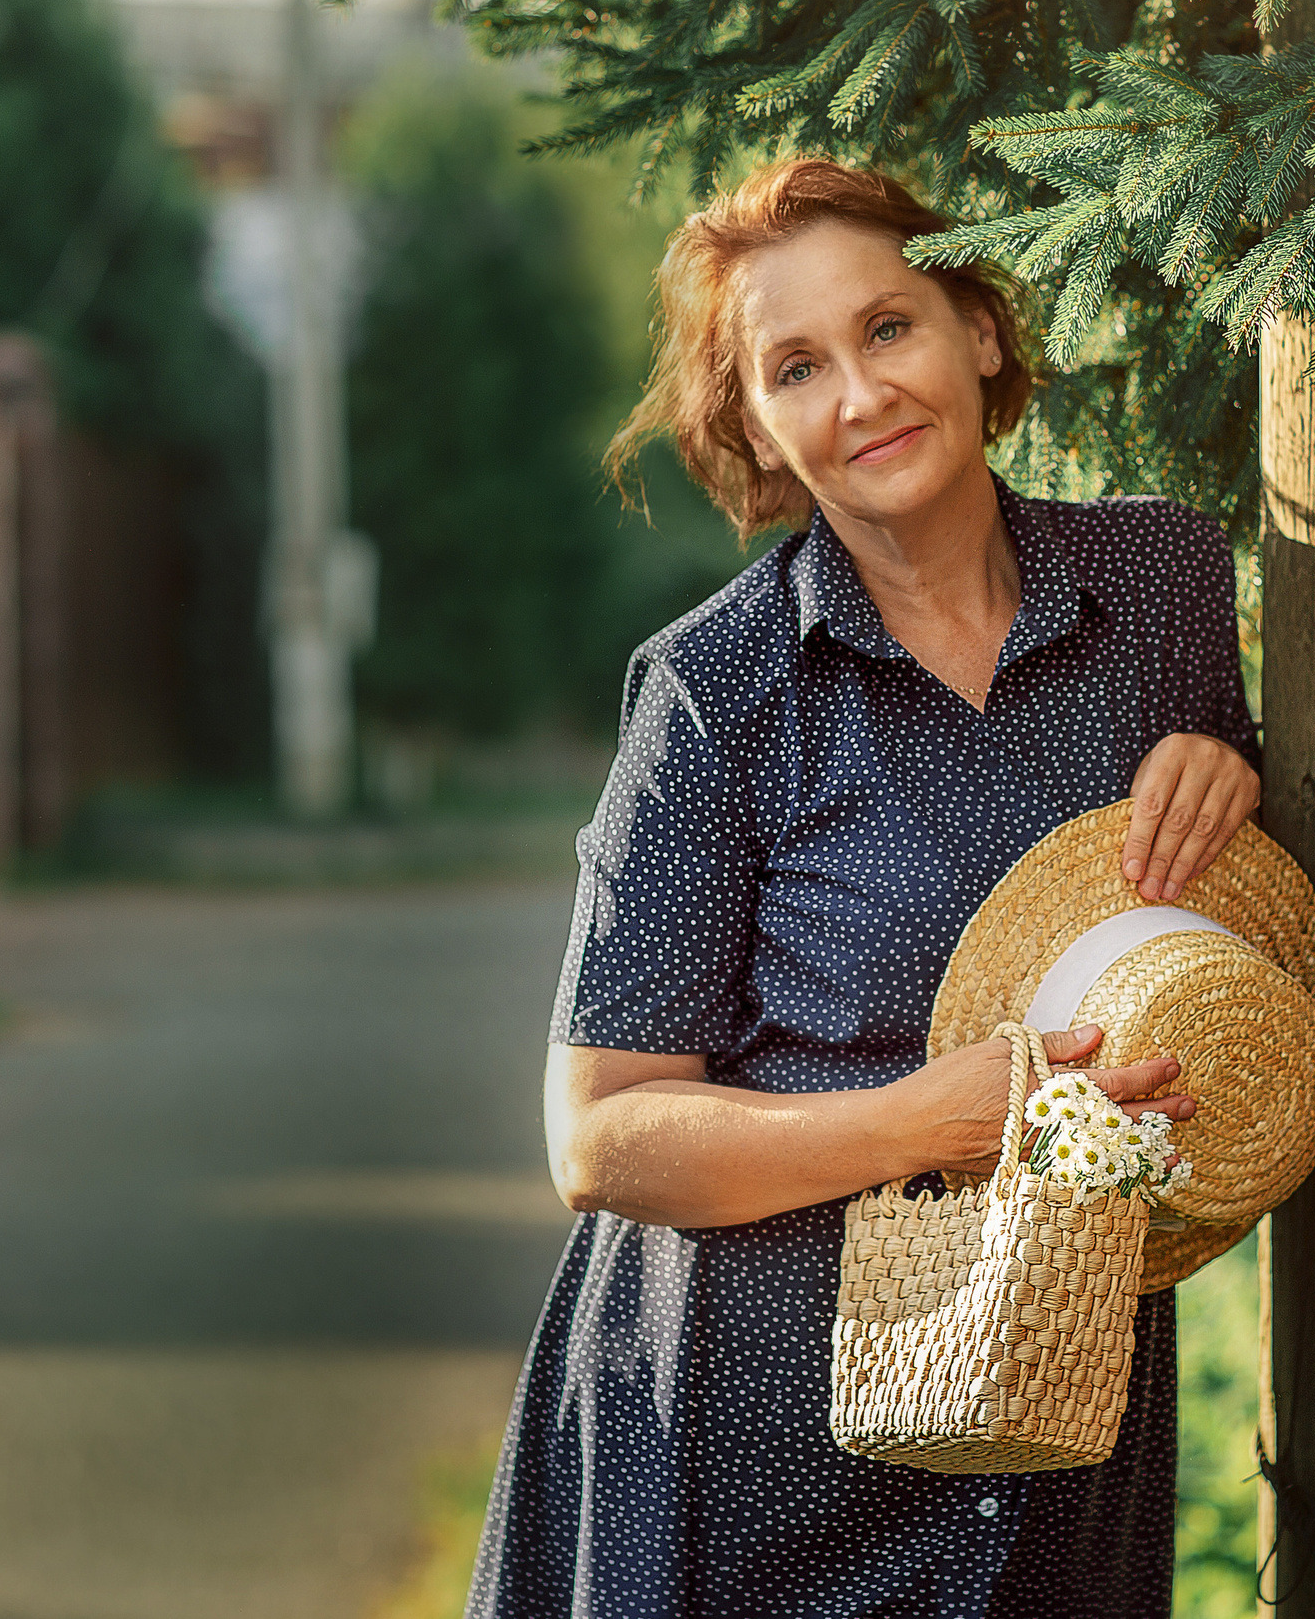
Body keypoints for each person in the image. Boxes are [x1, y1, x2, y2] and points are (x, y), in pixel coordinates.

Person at [466, 157, 1263, 1619]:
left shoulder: (1160, 589)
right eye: (795, 366)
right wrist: (927, 1119)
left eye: (888, 326)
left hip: (1055, 1412)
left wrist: (1235, 766)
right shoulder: (716, 694)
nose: (859, 394)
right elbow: (599, 1132)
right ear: (759, 429)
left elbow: (1223, 931)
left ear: (979, 329)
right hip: (748, 1454)